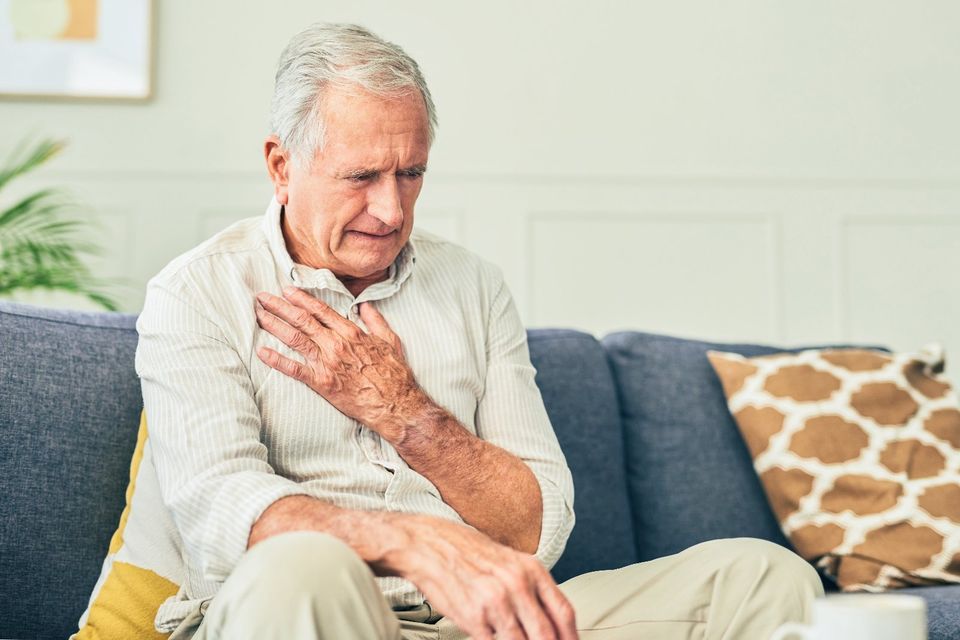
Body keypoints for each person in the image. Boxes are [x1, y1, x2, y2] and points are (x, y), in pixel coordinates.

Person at [137, 22, 824, 640]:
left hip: (473, 626)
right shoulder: (197, 293)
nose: (389, 208)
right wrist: (410, 542)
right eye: (362, 176)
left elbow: (537, 527)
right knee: (302, 568)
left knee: (768, 580)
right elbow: (220, 514)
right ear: (282, 166)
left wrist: (405, 413)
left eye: (411, 173)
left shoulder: (472, 286)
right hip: (296, 613)